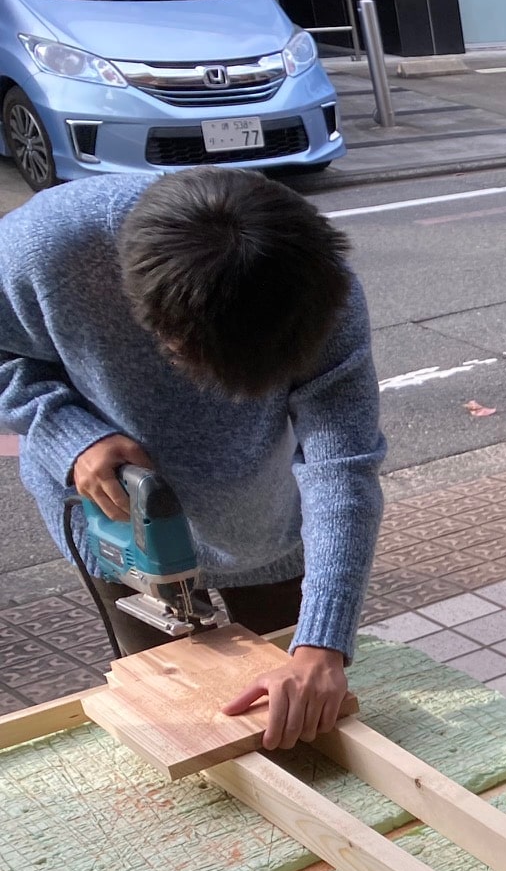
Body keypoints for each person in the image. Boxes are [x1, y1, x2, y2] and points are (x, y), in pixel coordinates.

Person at [0, 168, 386, 750]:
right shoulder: (46, 249)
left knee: (294, 708)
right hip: (122, 524)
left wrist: (321, 642)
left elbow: (340, 463)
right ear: (156, 326)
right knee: (177, 718)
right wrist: (65, 432)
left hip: (265, 523)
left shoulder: (316, 288)